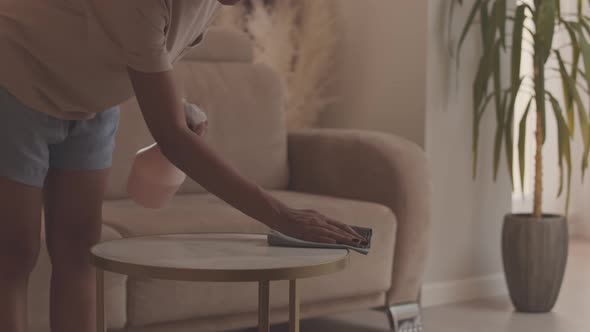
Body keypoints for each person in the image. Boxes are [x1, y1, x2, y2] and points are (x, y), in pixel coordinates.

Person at [0, 1, 366, 331]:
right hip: (15, 78)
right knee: (14, 251)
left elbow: (157, 49)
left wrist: (177, 104)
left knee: (79, 248)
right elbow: (174, 139)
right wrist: (281, 215)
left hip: (92, 104)